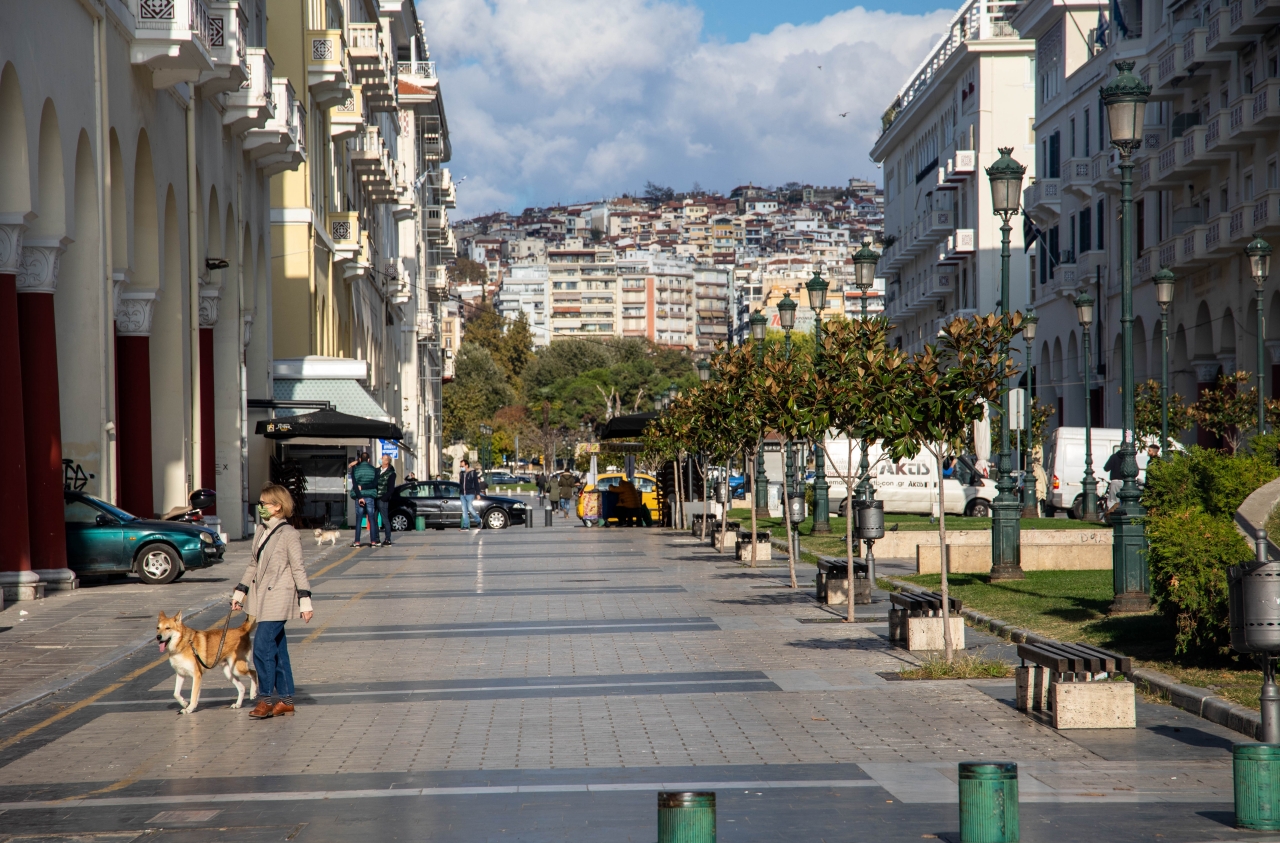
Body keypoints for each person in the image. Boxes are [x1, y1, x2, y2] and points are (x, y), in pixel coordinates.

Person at [231, 483, 313, 719]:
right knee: (278, 651)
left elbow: (298, 568)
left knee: (262, 648)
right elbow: (253, 564)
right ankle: (286, 700)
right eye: (260, 503)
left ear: (278, 506)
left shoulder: (289, 534)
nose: (261, 507)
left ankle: (265, 699)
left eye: (264, 503)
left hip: (279, 595)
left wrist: (305, 601)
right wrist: (240, 592)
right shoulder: (261, 530)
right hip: (261, 597)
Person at [350, 451, 378, 547]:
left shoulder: (356, 470)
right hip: (370, 496)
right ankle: (373, 541)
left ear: (360, 459)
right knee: (371, 519)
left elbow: (355, 485)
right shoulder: (374, 470)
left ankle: (357, 541)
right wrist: (366, 488)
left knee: (358, 520)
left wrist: (360, 497)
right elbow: (375, 484)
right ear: (369, 460)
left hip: (359, 496)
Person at [375, 454, 397, 547]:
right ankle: (376, 539)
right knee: (373, 519)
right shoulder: (377, 471)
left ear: (386, 462)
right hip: (374, 497)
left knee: (385, 519)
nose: (380, 459)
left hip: (383, 499)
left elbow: (391, 489)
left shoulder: (391, 473)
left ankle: (387, 539)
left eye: (382, 458)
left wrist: (384, 498)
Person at [459, 458, 481, 530]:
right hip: (462, 494)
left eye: (462, 466)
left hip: (470, 493)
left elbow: (476, 483)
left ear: (466, 465)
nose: (461, 468)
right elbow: (460, 484)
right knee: (464, 511)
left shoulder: (472, 472)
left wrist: (478, 493)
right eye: (460, 466)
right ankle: (465, 526)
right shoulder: (461, 473)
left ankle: (478, 520)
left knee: (470, 508)